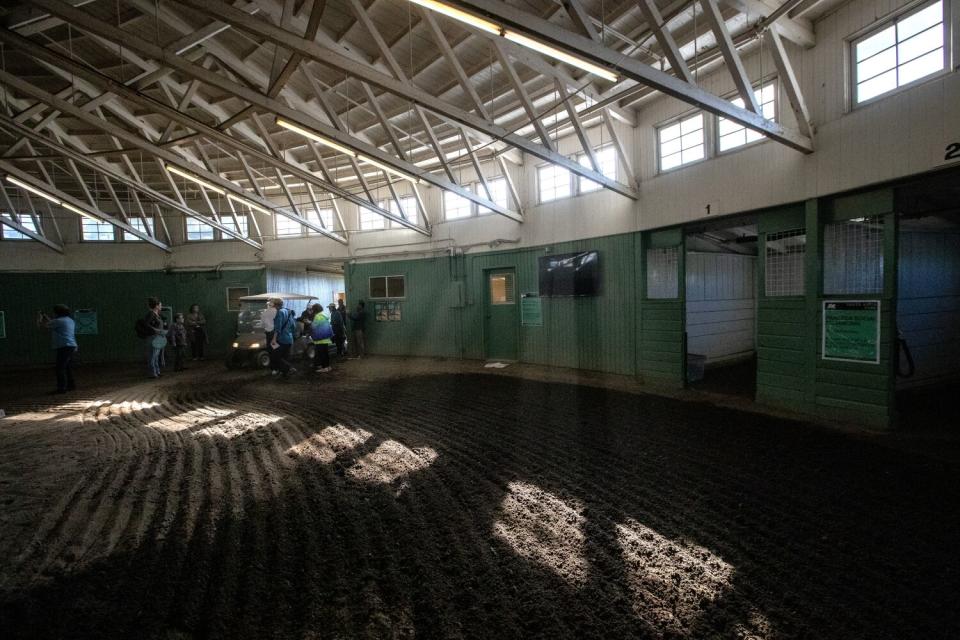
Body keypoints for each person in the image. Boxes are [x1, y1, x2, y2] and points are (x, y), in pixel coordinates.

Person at [37, 304, 77, 394]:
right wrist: (46, 316)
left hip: (63, 346)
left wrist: (39, 318)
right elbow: (53, 323)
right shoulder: (70, 320)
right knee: (67, 367)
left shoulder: (58, 321)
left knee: (60, 368)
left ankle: (61, 388)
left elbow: (42, 326)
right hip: (71, 345)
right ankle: (71, 385)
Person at [269, 299, 297, 378]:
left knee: (276, 356)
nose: (273, 307)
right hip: (289, 338)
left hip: (281, 339)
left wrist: (274, 339)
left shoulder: (279, 312)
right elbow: (293, 326)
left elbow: (278, 328)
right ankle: (284, 373)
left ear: (277, 305)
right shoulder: (288, 311)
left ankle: (290, 368)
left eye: (274, 305)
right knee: (285, 356)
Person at [144, 297, 167, 379]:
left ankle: (157, 371)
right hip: (152, 337)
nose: (161, 306)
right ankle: (152, 373)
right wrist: (155, 329)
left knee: (156, 355)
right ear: (156, 306)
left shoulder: (157, 314)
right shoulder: (151, 314)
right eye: (160, 305)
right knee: (152, 355)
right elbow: (146, 324)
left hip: (157, 337)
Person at [310, 303, 333, 373]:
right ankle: (328, 367)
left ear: (315, 310)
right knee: (326, 354)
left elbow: (313, 327)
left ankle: (324, 367)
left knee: (322, 354)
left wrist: (309, 322)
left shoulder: (317, 316)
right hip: (326, 338)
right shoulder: (324, 315)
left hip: (320, 339)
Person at [261, 298, 278, 374]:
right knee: (276, 350)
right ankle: (277, 368)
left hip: (269, 334)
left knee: (271, 351)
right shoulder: (277, 312)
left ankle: (273, 368)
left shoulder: (264, 312)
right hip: (276, 334)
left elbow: (262, 324)